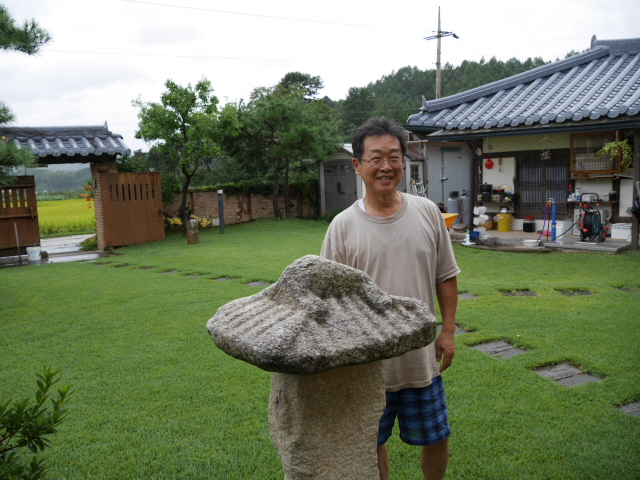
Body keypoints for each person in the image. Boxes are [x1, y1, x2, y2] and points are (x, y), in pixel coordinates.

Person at [320, 117, 459, 480]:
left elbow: (446, 275)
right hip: (367, 365)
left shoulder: (428, 212)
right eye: (376, 157)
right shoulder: (342, 226)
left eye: (394, 157)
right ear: (357, 165)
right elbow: (331, 298)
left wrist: (447, 331)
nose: (386, 166)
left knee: (436, 436)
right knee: (370, 442)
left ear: (403, 160)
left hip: (420, 359)